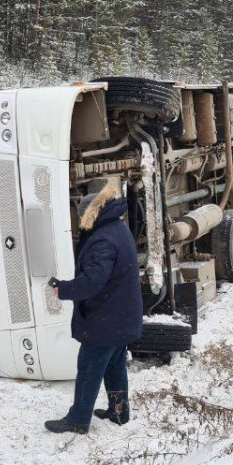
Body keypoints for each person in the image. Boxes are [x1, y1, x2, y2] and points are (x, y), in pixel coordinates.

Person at [44, 178, 143, 434]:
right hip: (120, 315)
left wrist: (63, 289)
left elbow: (92, 282)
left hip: (105, 319)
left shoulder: (102, 241)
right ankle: (119, 412)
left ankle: (77, 420)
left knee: (89, 367)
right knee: (114, 366)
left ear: (91, 215)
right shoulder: (118, 229)